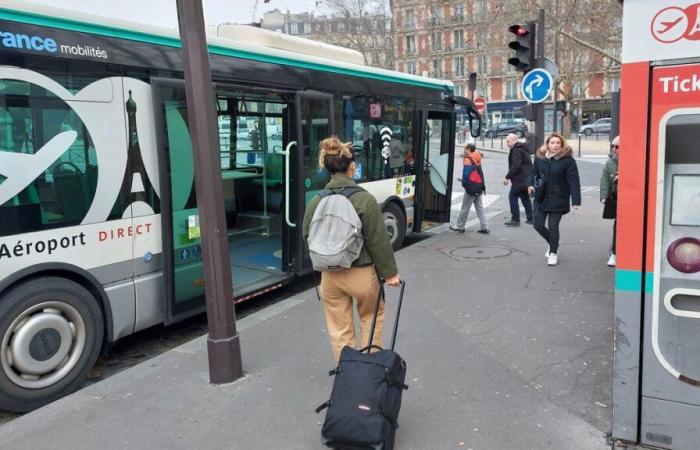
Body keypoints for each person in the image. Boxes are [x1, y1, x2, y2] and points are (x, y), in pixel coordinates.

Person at [303, 136, 401, 363]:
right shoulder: (364, 200)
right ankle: (367, 375)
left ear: (326, 168)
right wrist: (390, 274)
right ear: (351, 167)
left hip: (329, 277)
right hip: (361, 274)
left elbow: (307, 235)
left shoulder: (316, 201)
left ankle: (345, 374)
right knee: (371, 318)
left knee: (339, 330)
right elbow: (378, 240)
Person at [527, 133, 582, 266]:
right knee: (537, 225)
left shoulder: (568, 161)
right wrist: (529, 184)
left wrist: (576, 200)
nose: (555, 145)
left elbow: (574, 181)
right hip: (542, 197)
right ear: (547, 144)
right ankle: (553, 242)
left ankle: (553, 253)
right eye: (552, 143)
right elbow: (533, 172)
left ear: (562, 145)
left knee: (553, 226)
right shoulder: (540, 158)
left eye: (558, 143)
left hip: (559, 198)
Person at [450, 143, 489, 234]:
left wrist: (464, 183)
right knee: (480, 208)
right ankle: (484, 227)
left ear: (469, 149)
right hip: (479, 185)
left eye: (465, 149)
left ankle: (460, 226)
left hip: (471, 187)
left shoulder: (468, 159)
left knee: (465, 207)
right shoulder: (477, 157)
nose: (464, 150)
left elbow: (467, 173)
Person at [503, 133, 534, 226]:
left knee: (512, 197)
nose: (507, 143)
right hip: (526, 178)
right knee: (525, 198)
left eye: (508, 141)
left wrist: (507, 176)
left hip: (519, 179)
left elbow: (516, 165)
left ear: (514, 140)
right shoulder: (523, 149)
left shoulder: (516, 151)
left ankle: (515, 219)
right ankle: (531, 218)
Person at [600, 135, 619, 267]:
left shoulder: (634, 159)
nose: (614, 149)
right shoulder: (610, 161)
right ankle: (614, 253)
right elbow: (604, 179)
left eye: (617, 147)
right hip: (615, 197)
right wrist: (603, 196)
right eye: (612, 146)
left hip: (632, 200)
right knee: (617, 226)